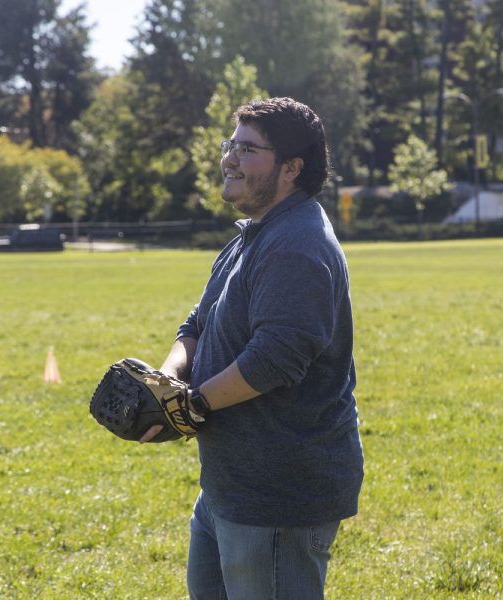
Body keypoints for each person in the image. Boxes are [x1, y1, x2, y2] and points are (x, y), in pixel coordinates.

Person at [157, 97, 364, 599]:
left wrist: (193, 404)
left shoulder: (297, 243)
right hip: (229, 487)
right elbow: (196, 324)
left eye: (247, 150)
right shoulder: (252, 235)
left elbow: (276, 357)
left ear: (291, 168)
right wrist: (163, 385)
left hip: (278, 494)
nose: (228, 158)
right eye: (232, 145)